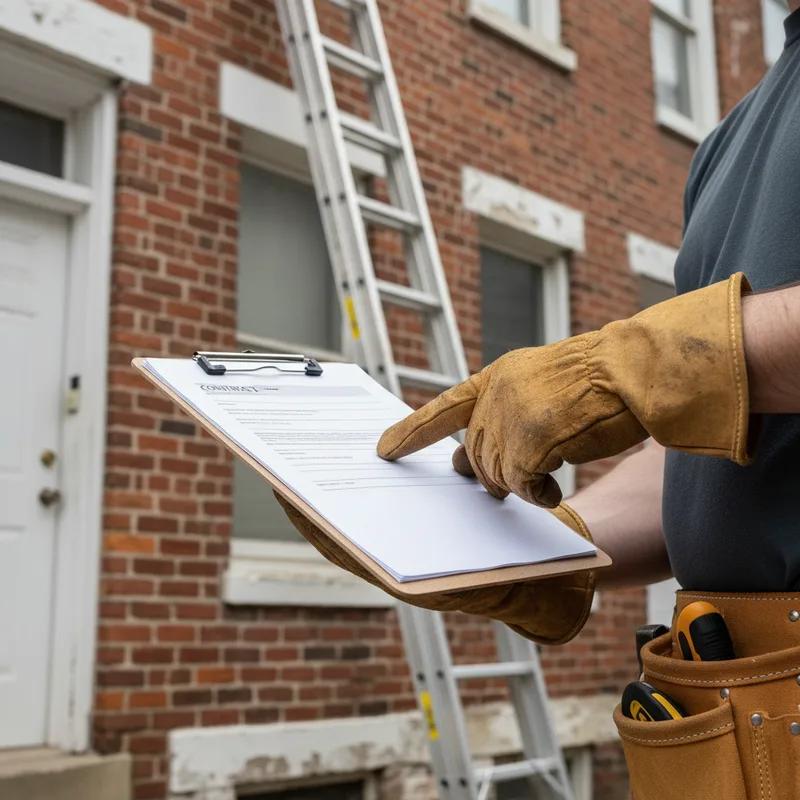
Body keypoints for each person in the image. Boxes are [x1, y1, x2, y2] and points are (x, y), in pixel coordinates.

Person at [278, 6, 800, 797]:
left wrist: (643, 364)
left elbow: (694, 371)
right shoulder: (730, 140)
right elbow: (711, 443)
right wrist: (551, 549)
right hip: (727, 720)